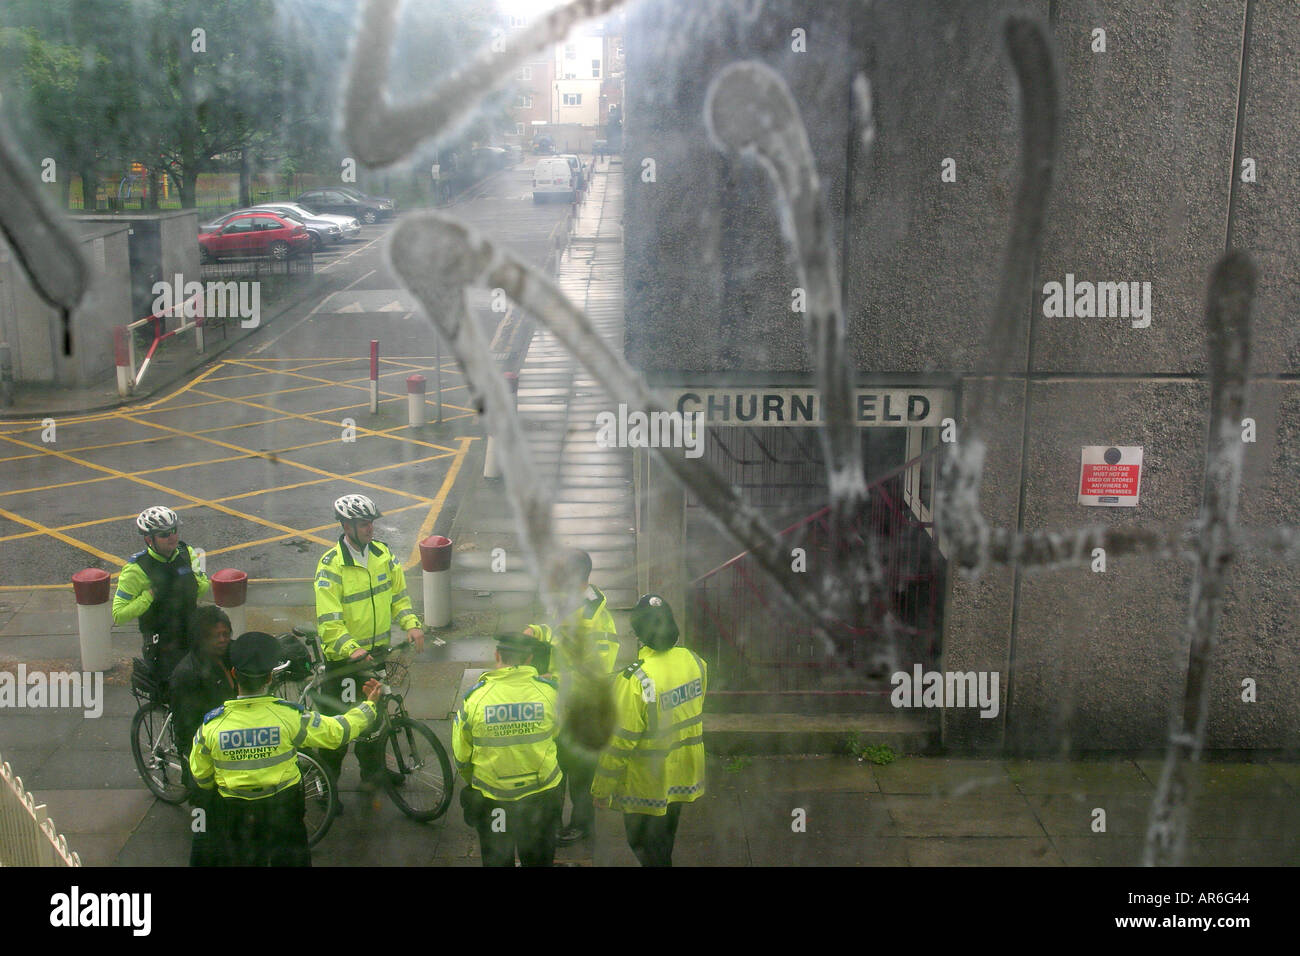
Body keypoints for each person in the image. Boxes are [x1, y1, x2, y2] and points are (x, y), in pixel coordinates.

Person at [188, 631, 381, 867]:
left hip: (236, 814)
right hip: (284, 811)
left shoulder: (211, 727)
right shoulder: (289, 717)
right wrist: (369, 706)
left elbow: (202, 776)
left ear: (234, 674)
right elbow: (337, 732)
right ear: (270, 677)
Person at [312, 493, 423, 790]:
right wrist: (352, 649)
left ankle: (373, 773)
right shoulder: (331, 566)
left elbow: (399, 597)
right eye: (363, 523)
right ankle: (326, 785)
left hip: (376, 654)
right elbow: (330, 623)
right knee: (339, 727)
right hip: (346, 662)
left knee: (374, 720)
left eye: (371, 522)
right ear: (346, 526)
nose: (370, 528)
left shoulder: (382, 555)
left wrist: (411, 625)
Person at [591, 594, 707, 867]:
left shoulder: (635, 680)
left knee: (644, 846)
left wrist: (601, 788)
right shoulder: (696, 662)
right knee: (665, 840)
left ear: (639, 633)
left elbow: (619, 743)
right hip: (684, 774)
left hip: (647, 783)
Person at [527, 547, 619, 845]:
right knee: (561, 767)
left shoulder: (593, 620)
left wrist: (554, 679)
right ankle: (558, 821)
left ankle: (581, 825)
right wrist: (538, 631)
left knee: (578, 774)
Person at [453, 633, 563, 867]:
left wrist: (473, 781)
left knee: (497, 858)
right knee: (539, 859)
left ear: (497, 655)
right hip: (540, 797)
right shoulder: (550, 694)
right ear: (530, 658)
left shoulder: (475, 699)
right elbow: (558, 734)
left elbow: (462, 756)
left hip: (494, 800)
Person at [113, 506, 210, 684]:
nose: (172, 537)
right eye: (164, 534)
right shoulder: (136, 569)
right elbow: (119, 615)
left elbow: (202, 585)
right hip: (163, 647)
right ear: (150, 539)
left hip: (191, 634)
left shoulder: (185, 552)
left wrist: (193, 585)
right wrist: (149, 595)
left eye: (174, 530)